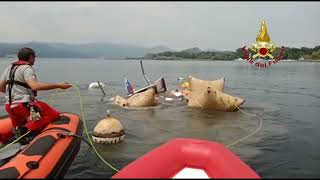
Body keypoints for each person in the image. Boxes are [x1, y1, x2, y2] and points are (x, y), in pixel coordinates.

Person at [0, 47, 71, 144]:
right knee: (53, 115)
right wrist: (59, 85)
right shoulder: (27, 68)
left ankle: (19, 135)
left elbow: (1, 87)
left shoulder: (9, 68)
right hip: (24, 105)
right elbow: (34, 86)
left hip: (10, 106)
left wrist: (13, 94)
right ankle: (29, 132)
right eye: (34, 57)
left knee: (19, 128)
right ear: (31, 57)